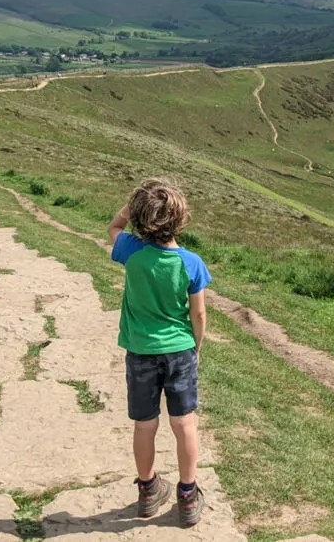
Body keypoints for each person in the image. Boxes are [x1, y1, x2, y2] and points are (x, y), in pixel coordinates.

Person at [108, 178, 210, 526]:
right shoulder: (191, 263)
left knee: (145, 424)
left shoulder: (129, 251)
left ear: (140, 219)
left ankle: (149, 489)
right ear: (181, 220)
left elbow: (114, 226)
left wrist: (131, 208)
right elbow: (198, 314)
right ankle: (187, 494)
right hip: (180, 350)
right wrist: (195, 346)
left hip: (140, 351)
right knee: (184, 423)